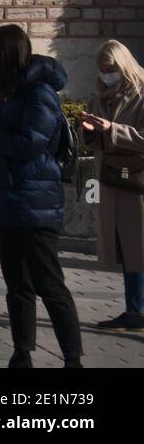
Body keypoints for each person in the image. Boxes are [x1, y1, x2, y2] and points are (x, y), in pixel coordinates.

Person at [0, 24, 83, 368]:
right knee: (17, 285)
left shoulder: (38, 92)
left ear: (8, 52)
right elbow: (5, 138)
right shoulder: (11, 91)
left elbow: (30, 145)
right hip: (10, 201)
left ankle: (72, 358)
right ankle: (22, 352)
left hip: (35, 203)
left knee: (50, 284)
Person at [80, 40, 144, 332]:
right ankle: (134, 309)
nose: (106, 74)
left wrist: (112, 129)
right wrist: (90, 132)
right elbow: (91, 142)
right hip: (112, 180)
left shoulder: (141, 95)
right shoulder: (99, 99)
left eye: (111, 69)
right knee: (126, 248)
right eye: (102, 69)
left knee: (138, 246)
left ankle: (138, 309)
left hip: (138, 182)